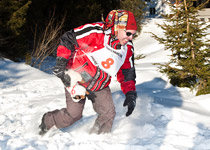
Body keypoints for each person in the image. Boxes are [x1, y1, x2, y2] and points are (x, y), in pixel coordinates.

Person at [39, 9, 137, 135]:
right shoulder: (96, 32)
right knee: (73, 115)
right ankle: (47, 122)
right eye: (128, 33)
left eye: (133, 34)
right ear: (118, 27)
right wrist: (61, 63)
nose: (130, 38)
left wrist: (130, 94)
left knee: (108, 113)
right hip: (76, 79)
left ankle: (97, 139)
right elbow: (68, 39)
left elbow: (127, 71)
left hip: (99, 85)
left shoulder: (127, 48)